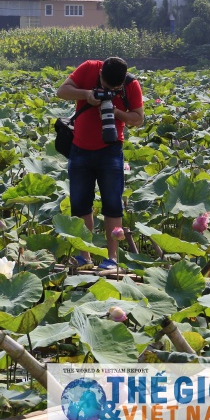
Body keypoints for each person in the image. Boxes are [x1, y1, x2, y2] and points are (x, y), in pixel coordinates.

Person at [56, 56, 144, 270]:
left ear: (122, 82)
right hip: (80, 149)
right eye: (105, 86)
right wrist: (87, 94)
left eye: (114, 88)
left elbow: (138, 119)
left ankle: (112, 259)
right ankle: (84, 256)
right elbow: (61, 92)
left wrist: (116, 112)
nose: (109, 89)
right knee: (80, 204)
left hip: (111, 151)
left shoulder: (131, 85)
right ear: (100, 74)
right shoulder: (88, 69)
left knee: (113, 205)